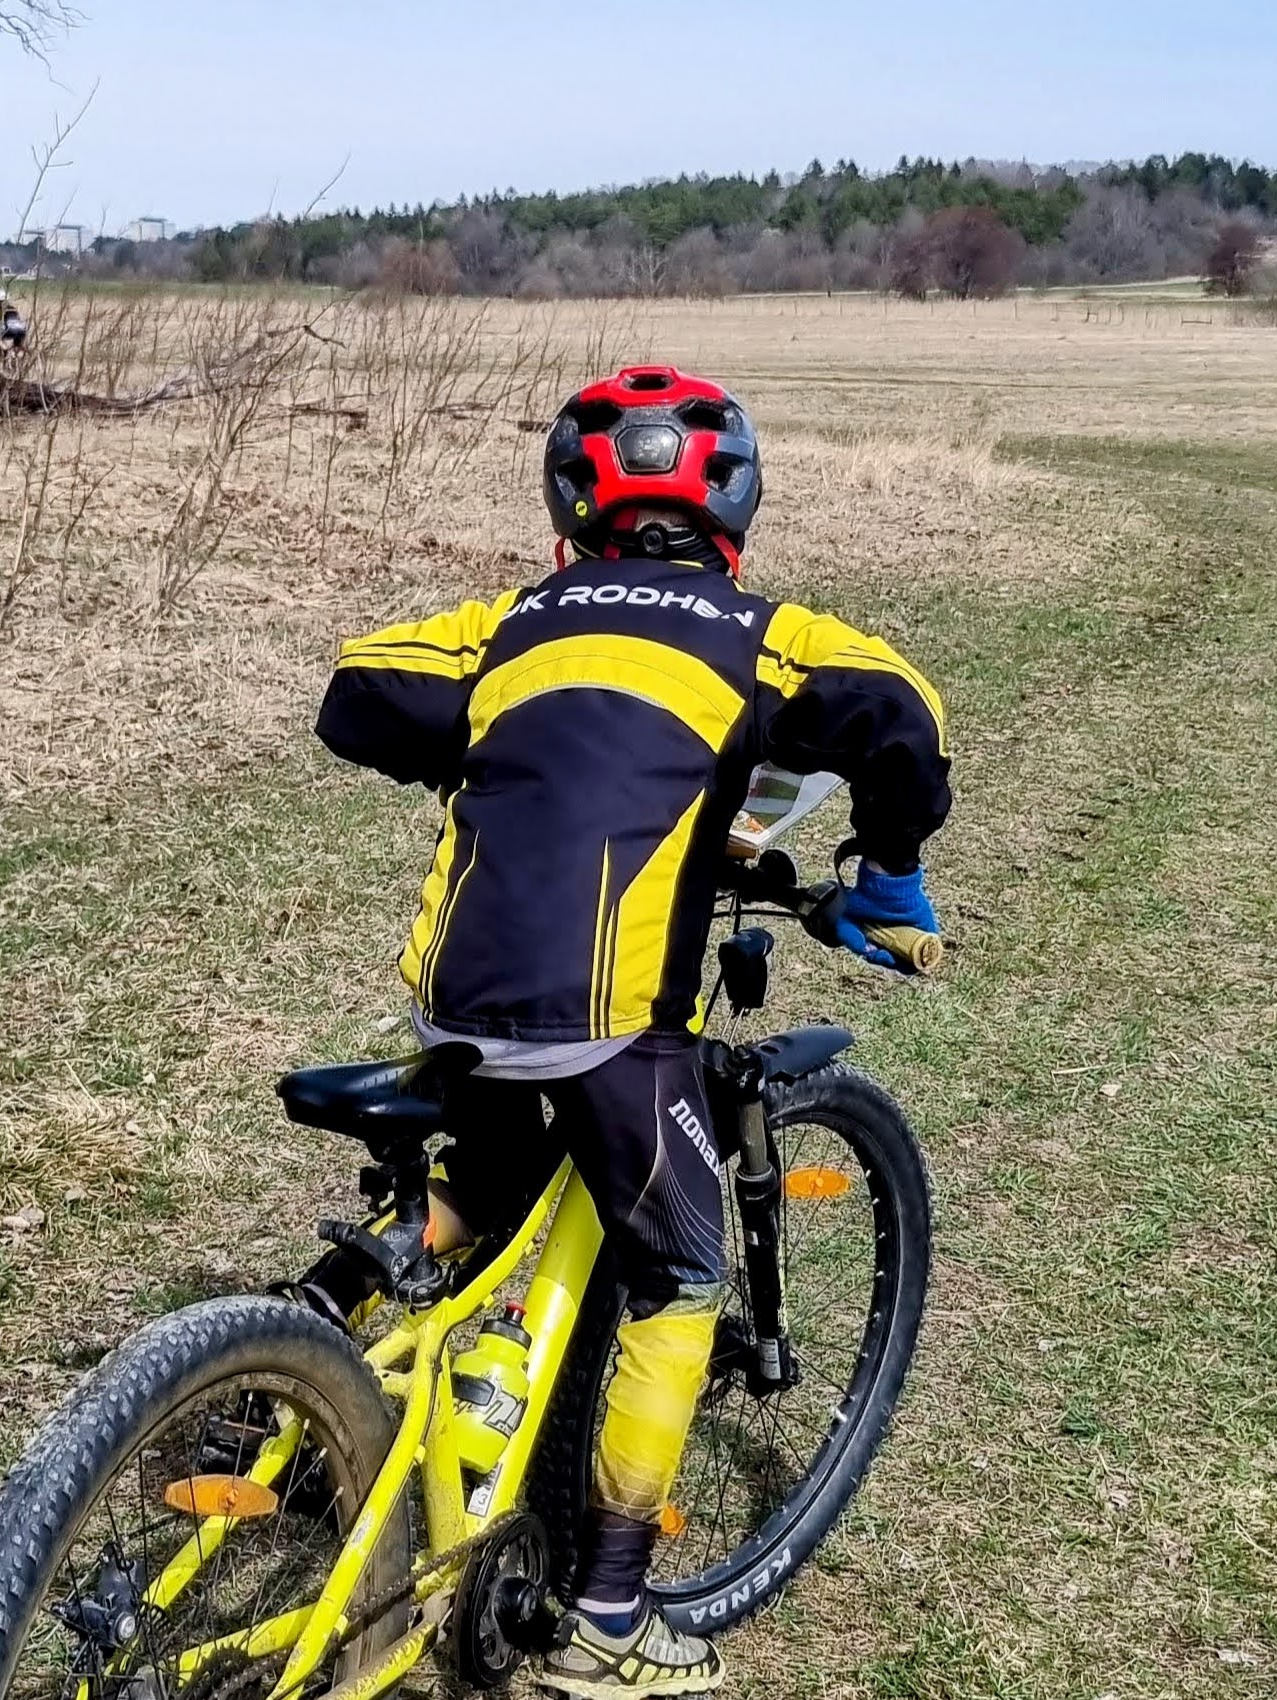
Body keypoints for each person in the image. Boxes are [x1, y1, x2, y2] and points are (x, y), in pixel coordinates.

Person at [309, 365, 951, 1696]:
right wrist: (887, 876)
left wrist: (520, 750)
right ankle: (607, 1618)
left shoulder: (516, 622)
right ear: (734, 510)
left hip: (455, 990)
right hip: (602, 1017)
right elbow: (902, 716)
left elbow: (358, 691)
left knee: (477, 1187)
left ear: (572, 511)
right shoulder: (759, 635)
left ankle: (299, 1353)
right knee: (678, 1278)